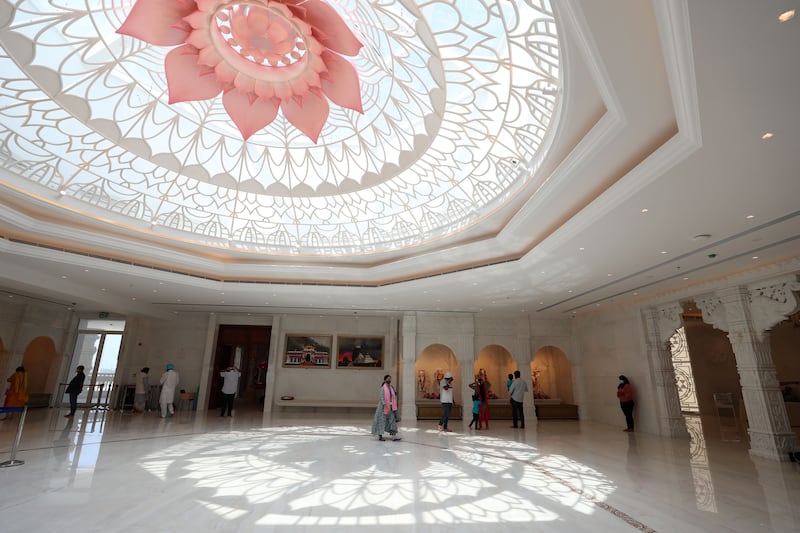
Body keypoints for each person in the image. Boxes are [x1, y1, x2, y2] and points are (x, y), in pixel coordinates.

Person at [371, 374, 401, 441]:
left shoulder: (391, 388)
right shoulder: (382, 389)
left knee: (392, 421)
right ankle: (380, 436)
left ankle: (394, 437)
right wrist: (385, 405)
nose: (389, 380)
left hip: (391, 407)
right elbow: (382, 398)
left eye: (390, 378)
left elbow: (394, 396)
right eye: (388, 379)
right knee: (381, 421)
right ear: (385, 380)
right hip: (382, 408)